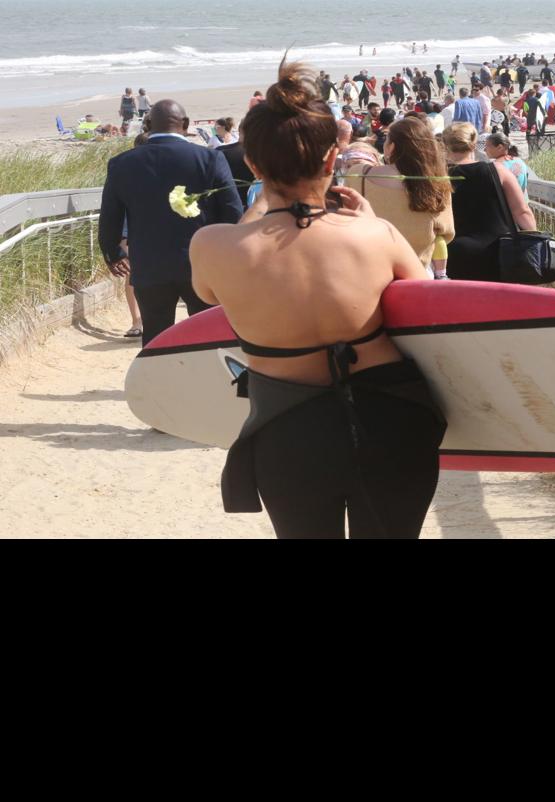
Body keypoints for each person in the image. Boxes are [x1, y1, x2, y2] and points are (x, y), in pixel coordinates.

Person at [189, 62, 443, 539]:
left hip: (289, 429)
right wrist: (366, 222)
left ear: (252, 164)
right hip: (392, 417)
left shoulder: (211, 245)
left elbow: (210, 293)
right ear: (332, 159)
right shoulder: (375, 235)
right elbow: (426, 307)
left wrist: (261, 205)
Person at [97, 99, 242, 345]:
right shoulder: (209, 159)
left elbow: (110, 215)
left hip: (149, 266)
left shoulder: (122, 163)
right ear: (185, 124)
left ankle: (158, 382)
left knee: (156, 337)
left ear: (148, 124)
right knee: (208, 336)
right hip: (201, 265)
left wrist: (112, 252)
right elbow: (232, 212)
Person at [341, 116, 454, 273]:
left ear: (392, 147)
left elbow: (345, 220)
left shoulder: (358, 175)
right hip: (416, 273)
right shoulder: (437, 183)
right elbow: (445, 233)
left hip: (368, 271)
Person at [441, 122, 534, 281]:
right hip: (499, 251)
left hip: (451, 253)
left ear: (445, 144)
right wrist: (532, 245)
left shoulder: (437, 175)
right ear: (474, 143)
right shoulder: (497, 170)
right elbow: (521, 211)